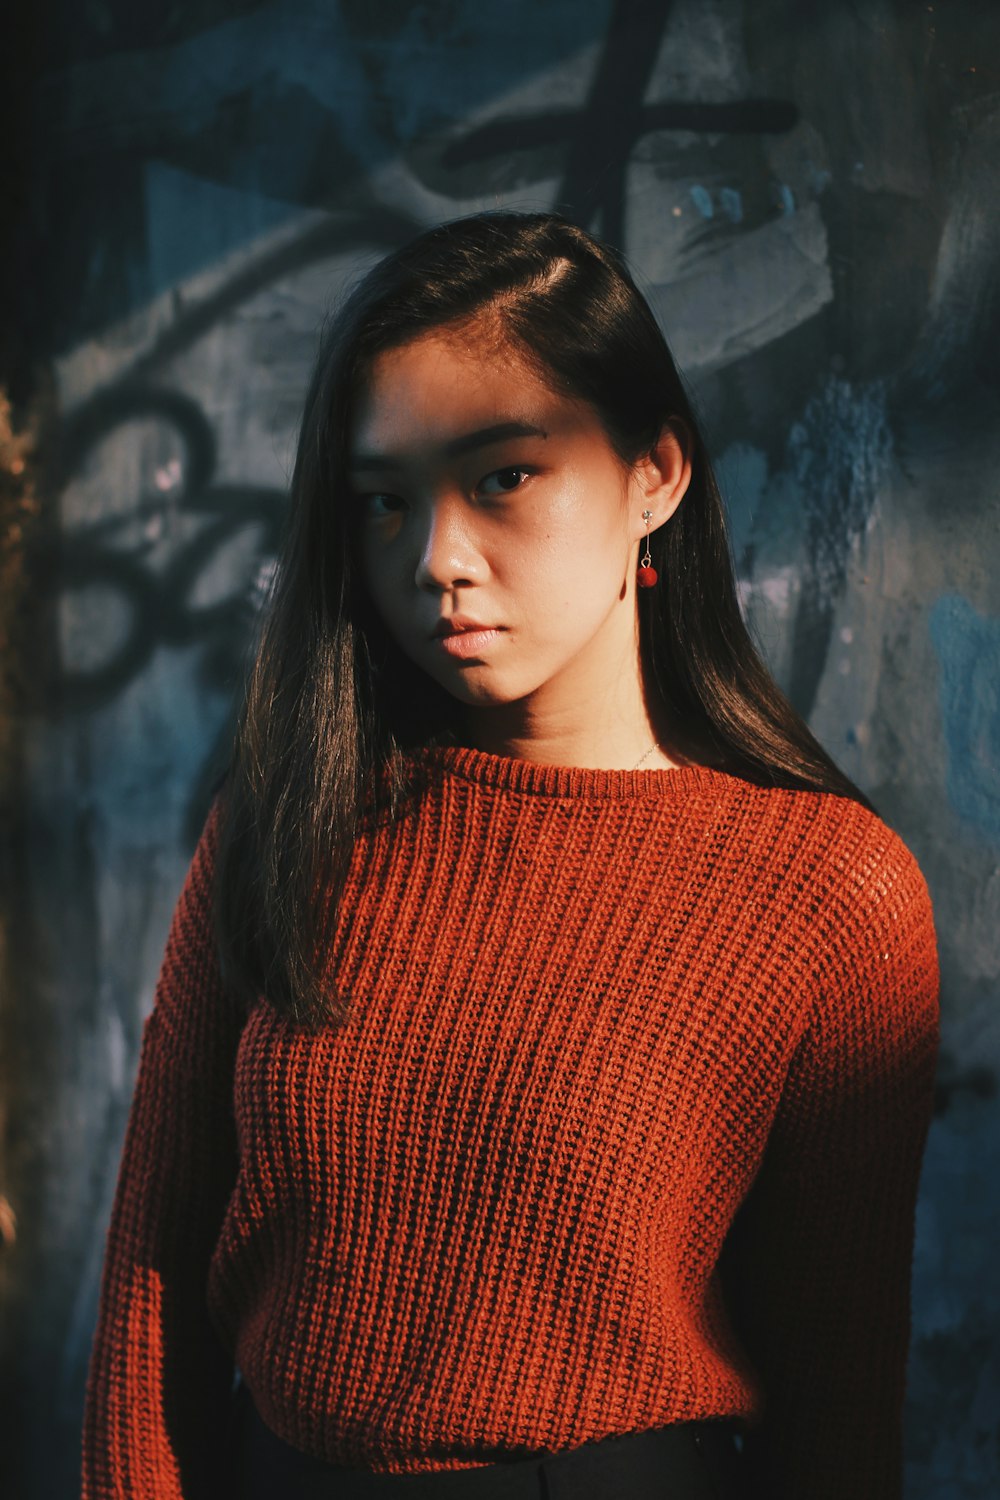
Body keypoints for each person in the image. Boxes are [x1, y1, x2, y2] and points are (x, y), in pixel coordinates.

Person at [80, 211, 941, 1500]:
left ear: (657, 473)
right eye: (382, 502)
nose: (437, 562)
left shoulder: (827, 896)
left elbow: (839, 1413)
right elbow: (151, 1293)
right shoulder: (290, 821)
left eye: (502, 478)